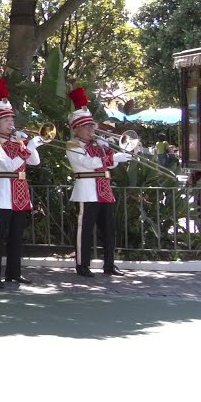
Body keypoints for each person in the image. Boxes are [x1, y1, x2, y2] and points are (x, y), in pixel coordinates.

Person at [66, 87, 133, 277]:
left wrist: (113, 151)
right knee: (85, 229)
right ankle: (82, 265)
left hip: (104, 190)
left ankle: (110, 264)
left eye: (92, 125)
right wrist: (113, 159)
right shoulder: (73, 145)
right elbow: (88, 163)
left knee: (109, 230)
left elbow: (109, 165)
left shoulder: (98, 144)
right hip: (87, 189)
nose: (91, 129)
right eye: (86, 127)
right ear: (77, 129)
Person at [0, 78, 43, 289]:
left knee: (17, 236)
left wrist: (30, 145)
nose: (11, 123)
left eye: (11, 119)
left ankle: (14, 273)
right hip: (2, 191)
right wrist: (26, 149)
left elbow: (34, 162)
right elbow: (9, 166)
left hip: (20, 191)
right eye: (6, 120)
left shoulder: (16, 141)